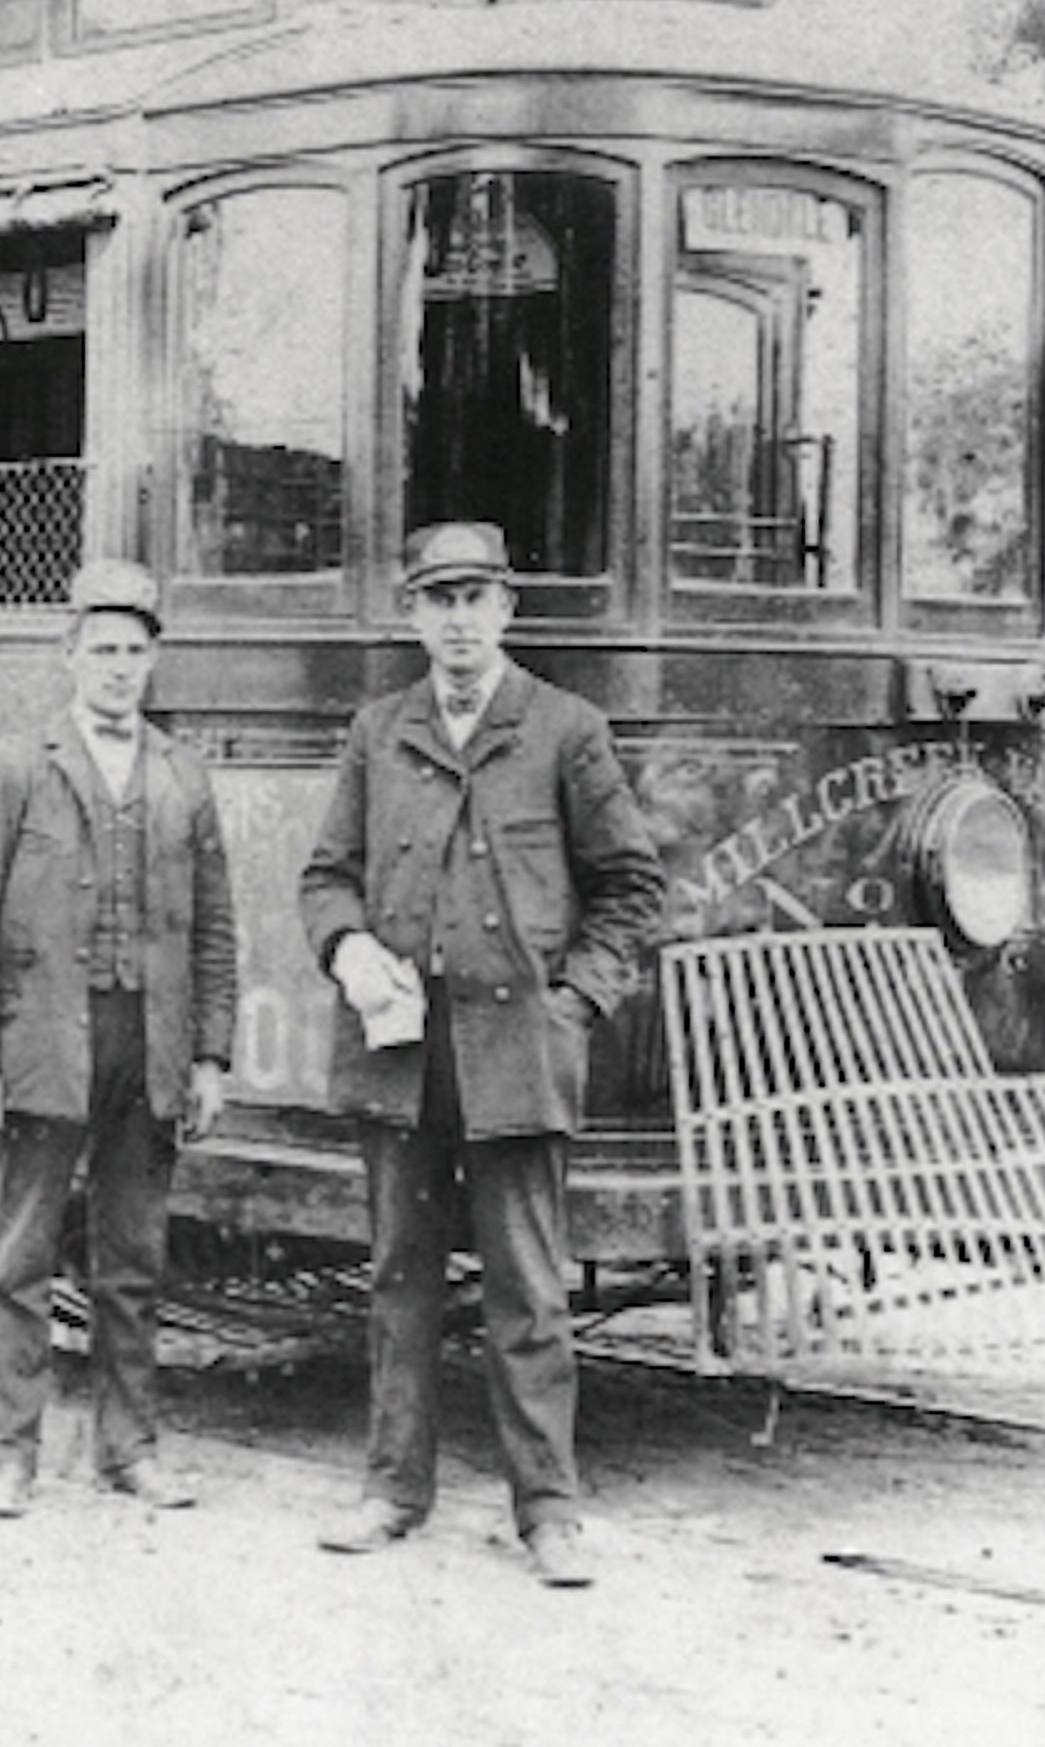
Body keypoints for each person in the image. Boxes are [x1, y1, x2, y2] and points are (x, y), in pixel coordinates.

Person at [298, 521, 664, 1586]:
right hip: (402, 1055)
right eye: (438, 600)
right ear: (413, 615)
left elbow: (632, 887)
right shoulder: (379, 732)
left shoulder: (564, 730)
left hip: (516, 1054)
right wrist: (348, 946)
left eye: (475, 599)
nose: (458, 620)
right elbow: (326, 876)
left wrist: (573, 1005)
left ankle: (547, 1512)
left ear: (507, 609)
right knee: (398, 1280)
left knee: (528, 1292)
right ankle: (391, 1490)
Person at [0, 558, 239, 1519]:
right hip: (41, 1047)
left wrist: (210, 1055)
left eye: (134, 651)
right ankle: (10, 1457)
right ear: (70, 656)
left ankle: (129, 1451)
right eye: (101, 649)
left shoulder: (182, 774)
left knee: (133, 1263)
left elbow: (216, 930)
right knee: (18, 1260)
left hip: (148, 1048)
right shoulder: (20, 765)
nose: (118, 667)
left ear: (154, 661)